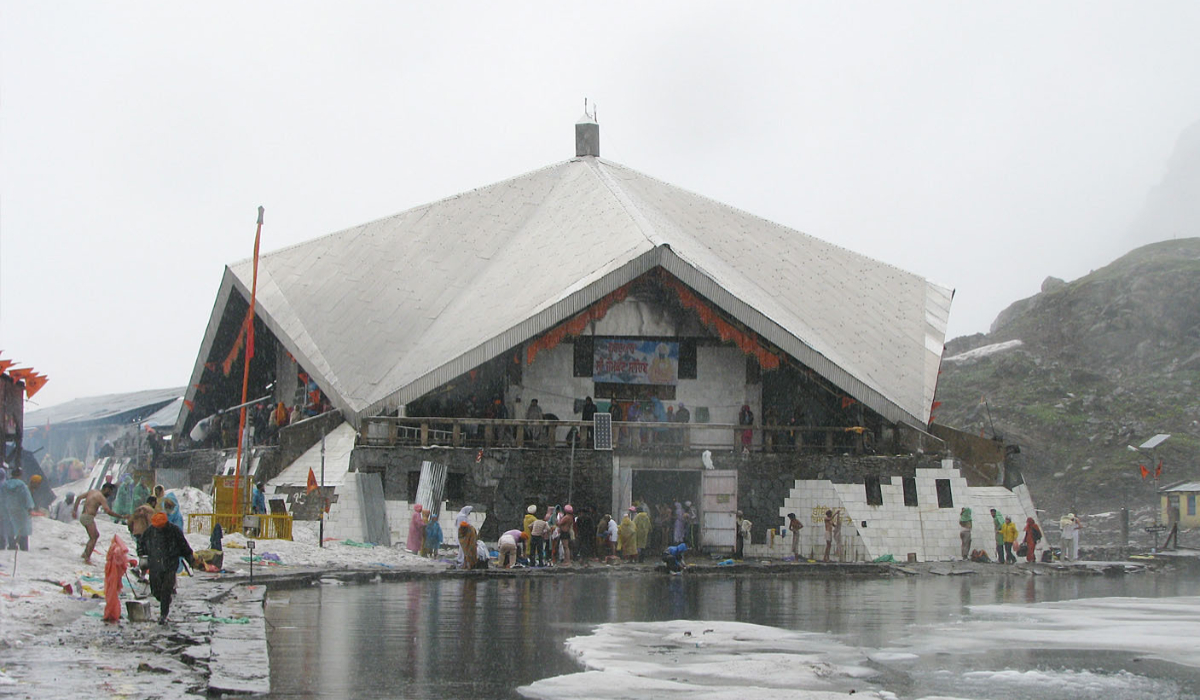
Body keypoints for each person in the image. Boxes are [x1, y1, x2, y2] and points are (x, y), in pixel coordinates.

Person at [138, 512, 196, 624]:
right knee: (155, 590)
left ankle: (163, 615)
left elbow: (184, 546)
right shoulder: (150, 531)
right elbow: (141, 543)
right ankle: (165, 600)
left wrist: (190, 559)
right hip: (155, 564)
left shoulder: (174, 531)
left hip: (170, 564)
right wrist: (142, 554)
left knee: (166, 589)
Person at [75, 484, 126, 564]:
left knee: (95, 535)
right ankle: (87, 558)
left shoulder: (92, 491)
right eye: (110, 492)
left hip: (84, 516)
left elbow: (78, 498)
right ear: (106, 489)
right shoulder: (101, 497)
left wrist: (74, 510)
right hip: (88, 517)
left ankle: (85, 554)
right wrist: (121, 516)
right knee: (94, 537)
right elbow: (108, 511)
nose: (110, 494)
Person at [0, 467, 36, 550]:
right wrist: (30, 508)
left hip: (8, 510)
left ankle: (12, 545)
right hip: (21, 511)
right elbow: (27, 498)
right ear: (20, 475)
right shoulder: (22, 485)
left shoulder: (5, 485)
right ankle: (23, 547)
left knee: (10, 528)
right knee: (22, 529)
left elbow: (1, 498)